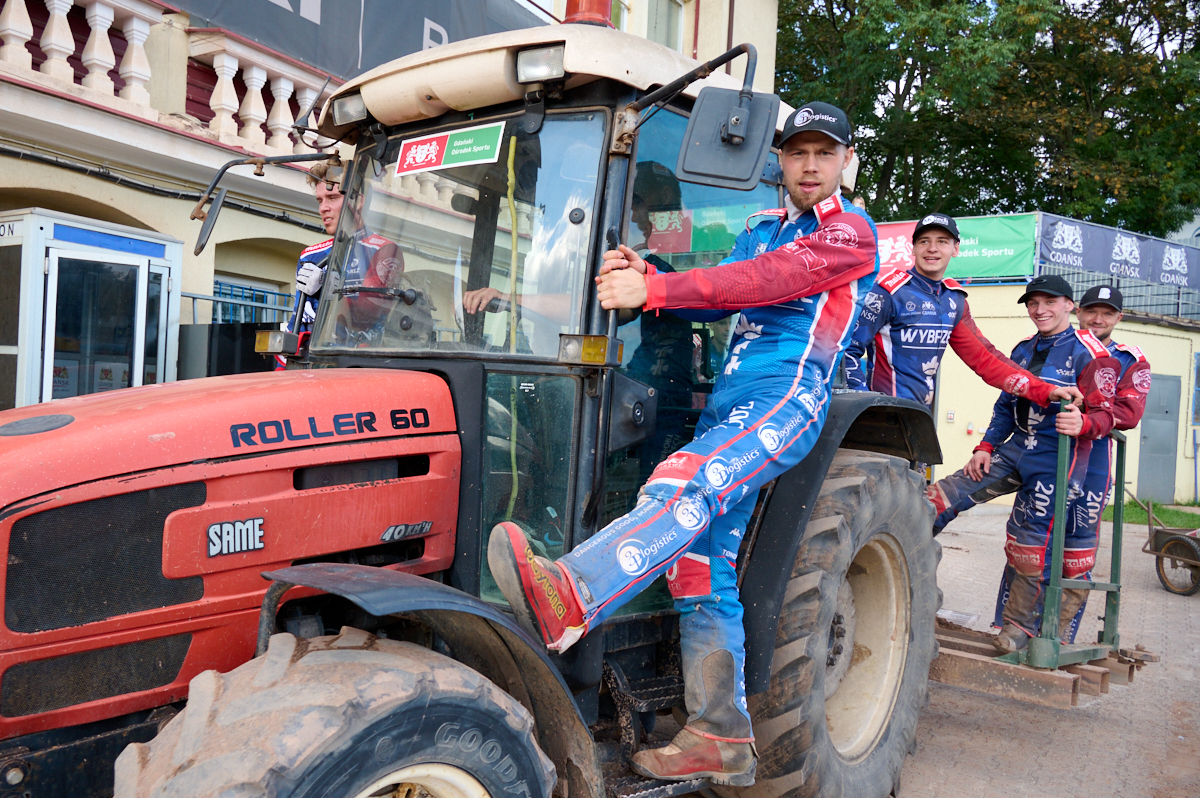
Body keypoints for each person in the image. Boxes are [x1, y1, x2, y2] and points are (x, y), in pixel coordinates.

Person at [487, 102, 879, 786]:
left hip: (786, 394)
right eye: (797, 153)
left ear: (845, 160)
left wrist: (656, 284)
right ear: (781, 162)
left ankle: (575, 593)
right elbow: (718, 295)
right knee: (698, 561)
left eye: (824, 153)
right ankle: (719, 733)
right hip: (732, 397)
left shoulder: (851, 233)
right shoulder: (761, 226)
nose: (810, 166)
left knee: (682, 480)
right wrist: (651, 279)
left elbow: (768, 281)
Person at [926, 275, 1119, 653]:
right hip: (1016, 447)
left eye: (1049, 302)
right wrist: (984, 446)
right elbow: (1004, 405)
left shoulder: (1092, 352)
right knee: (941, 497)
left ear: (1069, 306)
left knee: (1031, 546)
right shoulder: (1022, 348)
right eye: (1033, 303)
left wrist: (1084, 419)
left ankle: (1019, 629)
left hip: (1058, 458)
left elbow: (1108, 414)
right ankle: (896, 566)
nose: (1040, 310)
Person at [845, 212, 1078, 411]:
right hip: (881, 414)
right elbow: (846, 352)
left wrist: (1046, 390)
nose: (933, 249)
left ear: (956, 248)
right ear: (912, 248)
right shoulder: (888, 292)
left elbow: (985, 359)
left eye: (943, 241)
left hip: (918, 418)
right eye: (924, 241)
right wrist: (866, 404)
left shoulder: (954, 300)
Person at [275, 162, 403, 365]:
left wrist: (326, 289)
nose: (323, 208)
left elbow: (366, 318)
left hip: (358, 368)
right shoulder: (310, 255)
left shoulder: (384, 250)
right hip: (311, 366)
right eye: (320, 200)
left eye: (332, 198)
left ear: (358, 201)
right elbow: (298, 322)